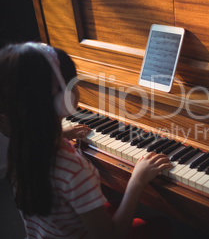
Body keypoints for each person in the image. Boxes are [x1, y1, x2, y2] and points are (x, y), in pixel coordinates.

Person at [0, 42, 173, 238]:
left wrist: (62, 134)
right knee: (160, 226)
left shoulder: (19, 147)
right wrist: (137, 181)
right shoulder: (73, 170)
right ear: (63, 100)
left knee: (113, 205)